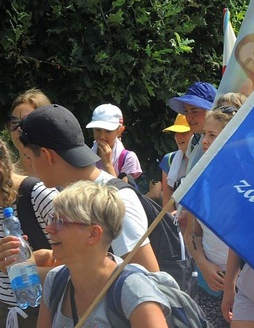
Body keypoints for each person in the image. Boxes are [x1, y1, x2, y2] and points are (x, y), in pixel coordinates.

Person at [24, 181, 176, 328]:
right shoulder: (56, 280)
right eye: (52, 219)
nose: (49, 228)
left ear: (93, 234)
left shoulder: (131, 288)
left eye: (60, 222)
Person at [18, 105, 158, 272]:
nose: (29, 166)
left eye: (28, 157)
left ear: (46, 155)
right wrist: (48, 259)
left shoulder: (116, 201)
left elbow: (148, 279)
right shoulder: (71, 195)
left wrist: (23, 272)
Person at [0, 140, 57, 328]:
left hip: (44, 313)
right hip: (5, 313)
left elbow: (86, 252)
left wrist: (33, 263)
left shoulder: (35, 194)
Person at [186, 105, 242, 328]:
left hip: (242, 287)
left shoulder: (243, 181)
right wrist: (203, 265)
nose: (204, 141)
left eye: (212, 135)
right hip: (208, 285)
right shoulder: (200, 176)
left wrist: (230, 283)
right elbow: (192, 232)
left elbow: (239, 239)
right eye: (204, 135)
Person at [86, 104, 142, 180]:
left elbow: (123, 191)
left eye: (108, 131)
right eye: (97, 130)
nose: (102, 136)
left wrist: (108, 164)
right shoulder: (86, 155)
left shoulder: (128, 158)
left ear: (120, 131)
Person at [7, 90, 52, 175]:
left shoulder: (64, 175)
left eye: (28, 121)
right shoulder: (4, 178)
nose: (19, 128)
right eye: (14, 122)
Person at [159, 114, 193, 208]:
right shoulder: (169, 160)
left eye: (184, 133)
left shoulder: (204, 160)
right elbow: (167, 201)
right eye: (176, 133)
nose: (178, 137)